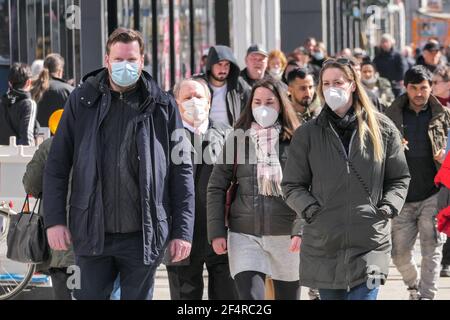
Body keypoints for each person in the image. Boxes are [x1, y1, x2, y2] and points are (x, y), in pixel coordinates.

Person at [42, 28, 195, 300]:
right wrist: (54, 220)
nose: (126, 65)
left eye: (132, 60)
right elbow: (57, 165)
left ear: (142, 60)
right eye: (119, 59)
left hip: (144, 236)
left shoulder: (163, 105)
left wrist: (182, 231)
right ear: (107, 60)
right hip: (92, 234)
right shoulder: (82, 101)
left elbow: (181, 171)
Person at [281, 58, 411, 300]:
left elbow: (399, 178)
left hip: (371, 241)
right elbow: (292, 184)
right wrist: (311, 211)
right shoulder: (307, 134)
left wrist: (386, 208)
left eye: (338, 82)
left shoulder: (382, 128)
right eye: (326, 83)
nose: (332, 88)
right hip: (324, 243)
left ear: (352, 84)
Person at [207, 78, 301, 300]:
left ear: (281, 104)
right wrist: (217, 232)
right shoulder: (238, 138)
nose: (263, 108)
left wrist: (301, 229)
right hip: (244, 234)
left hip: (286, 237)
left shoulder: (298, 139)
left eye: (270, 102)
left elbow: (311, 187)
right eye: (257, 102)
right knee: (250, 298)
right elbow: (216, 185)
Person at [166, 78, 237, 300]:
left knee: (227, 297)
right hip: (180, 233)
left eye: (199, 97)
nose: (193, 102)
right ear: (176, 103)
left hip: (221, 230)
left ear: (209, 102)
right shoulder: (164, 137)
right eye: (187, 98)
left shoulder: (228, 135)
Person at [386, 65, 450, 300]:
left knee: (432, 249)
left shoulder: (443, 114)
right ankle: (414, 286)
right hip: (402, 196)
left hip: (433, 193)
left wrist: (446, 157)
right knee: (399, 254)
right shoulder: (389, 116)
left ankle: (426, 295)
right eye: (414, 88)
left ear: (430, 87)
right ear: (406, 88)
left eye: (423, 88)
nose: (419, 93)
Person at [196, 45, 250, 127]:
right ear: (211, 65)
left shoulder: (239, 85)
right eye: (219, 64)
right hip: (203, 135)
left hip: (231, 135)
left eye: (226, 65)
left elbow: (251, 108)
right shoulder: (198, 84)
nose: (223, 70)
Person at [31, 53, 74, 128]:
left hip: (38, 137)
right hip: (61, 137)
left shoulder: (33, 88)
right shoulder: (69, 90)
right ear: (60, 71)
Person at [0, 63, 37, 146]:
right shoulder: (28, 104)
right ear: (28, 82)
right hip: (19, 156)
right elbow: (27, 138)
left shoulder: (2, 102)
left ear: (9, 83)